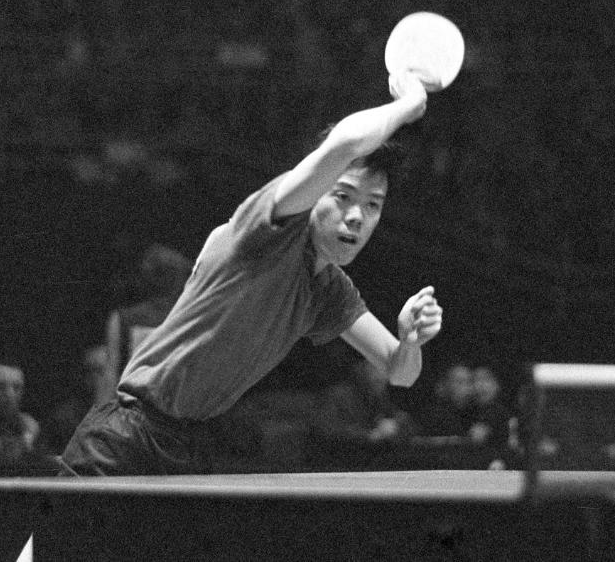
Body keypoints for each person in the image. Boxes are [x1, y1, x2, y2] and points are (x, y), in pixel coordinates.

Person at [61, 70, 443, 475]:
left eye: (372, 205)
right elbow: (346, 143)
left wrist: (410, 340)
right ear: (316, 191)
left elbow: (400, 372)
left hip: (189, 447)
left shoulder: (329, 291)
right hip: (127, 436)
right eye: (343, 196)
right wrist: (408, 105)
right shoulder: (267, 230)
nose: (356, 216)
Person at [98, 245, 193, 404]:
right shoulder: (188, 320)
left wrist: (101, 414)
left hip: (130, 409)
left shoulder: (123, 319)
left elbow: (111, 375)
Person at [44, 344, 109, 453]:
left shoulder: (128, 416)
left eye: (101, 371)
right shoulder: (64, 419)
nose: (97, 378)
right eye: (93, 371)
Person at [0, 362, 44, 466]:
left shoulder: (27, 425)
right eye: (1, 387)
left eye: (16, 387)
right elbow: (1, 461)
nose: (10, 394)